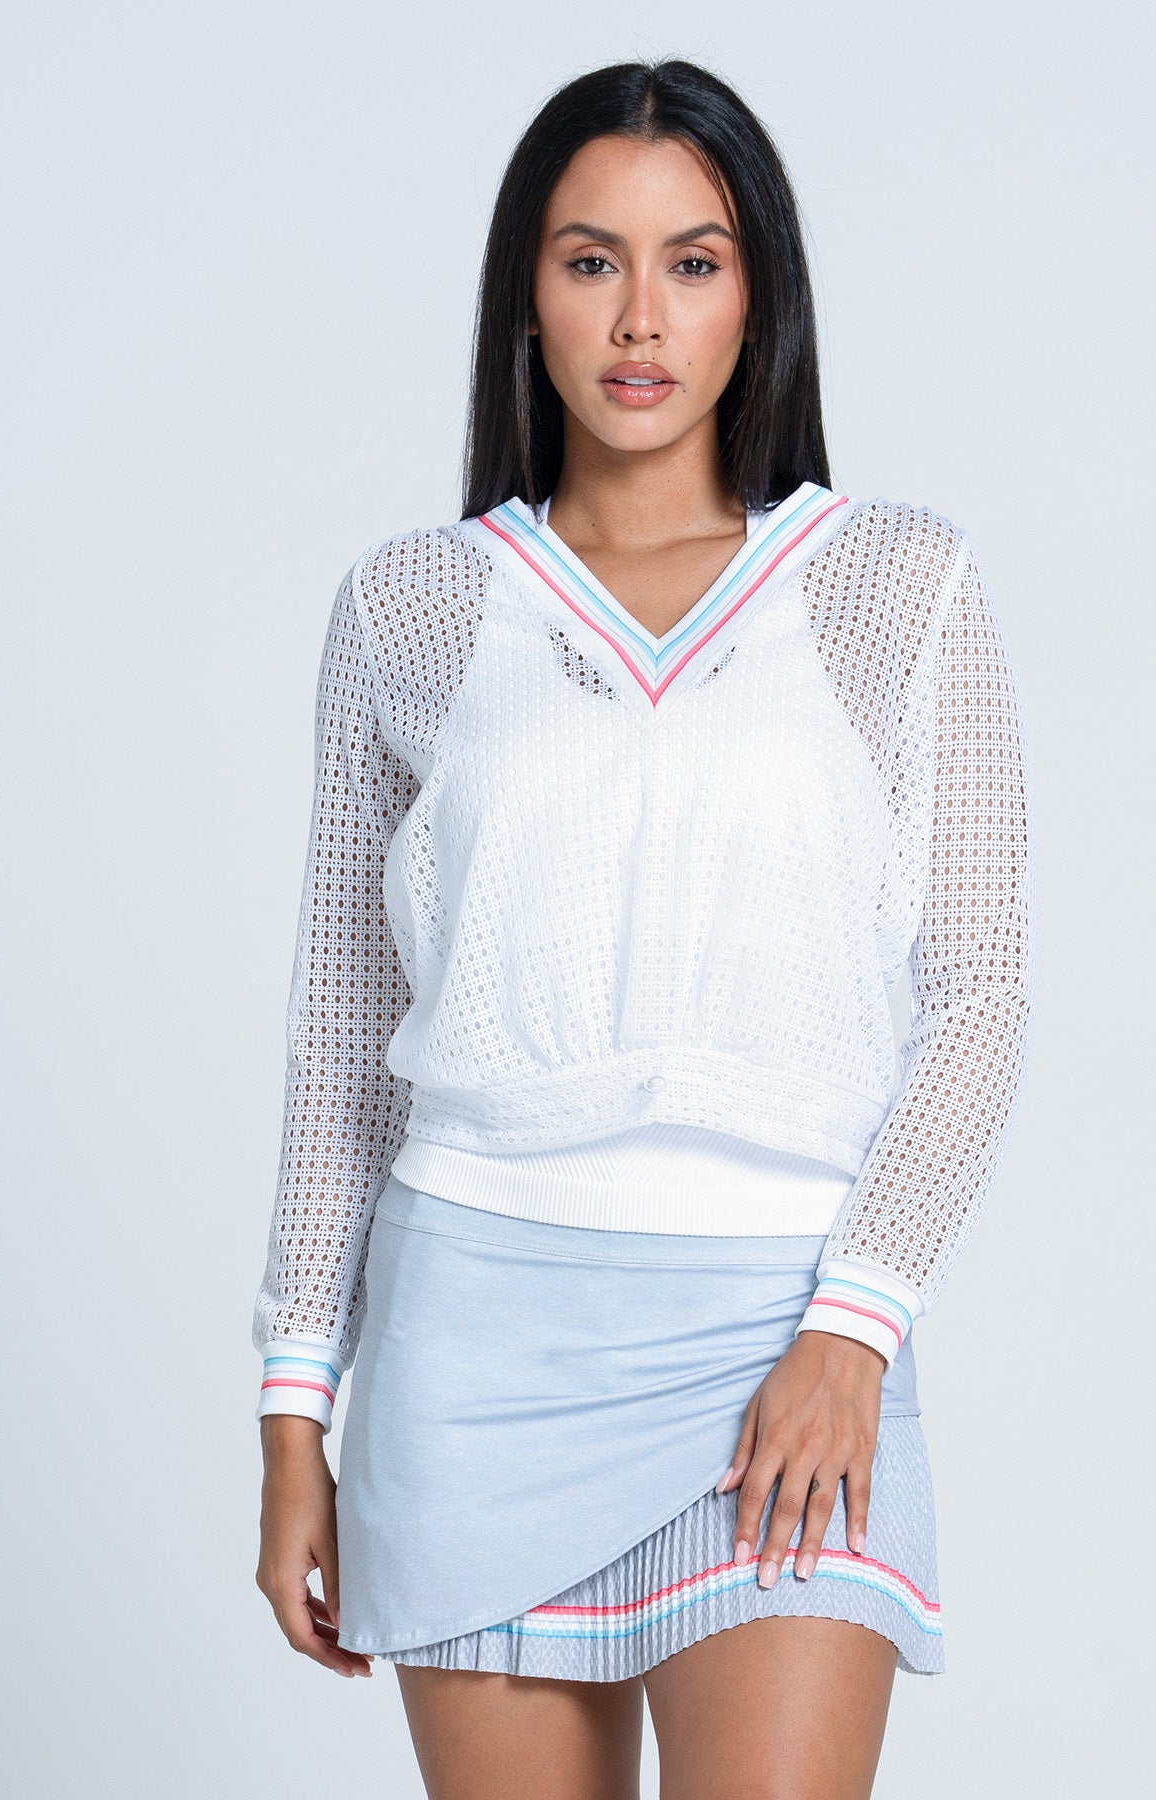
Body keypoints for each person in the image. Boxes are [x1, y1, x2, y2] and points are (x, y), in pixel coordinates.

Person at [251, 56, 1038, 1800]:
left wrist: (855, 1326)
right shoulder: (412, 606)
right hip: (474, 1343)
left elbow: (980, 999)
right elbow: (341, 1045)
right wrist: (297, 1410)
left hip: (787, 1337)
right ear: (524, 293)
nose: (638, 318)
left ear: (760, 297)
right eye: (589, 259)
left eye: (694, 262)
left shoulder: (895, 583)